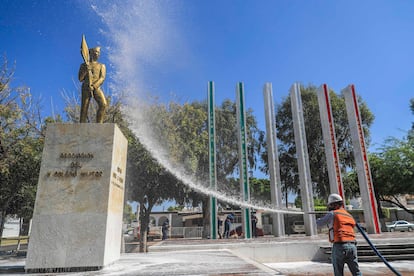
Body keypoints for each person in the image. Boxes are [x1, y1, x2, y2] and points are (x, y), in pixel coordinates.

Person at [316, 193, 361, 276]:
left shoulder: (332, 214)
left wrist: (320, 217)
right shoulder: (349, 215)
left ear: (335, 205)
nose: (329, 207)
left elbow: (319, 223)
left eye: (330, 205)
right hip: (352, 246)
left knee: (338, 273)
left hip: (340, 246)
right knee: (356, 272)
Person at [78, 46, 107, 123]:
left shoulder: (101, 66)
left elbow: (102, 78)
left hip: (96, 88)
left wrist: (94, 86)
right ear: (91, 53)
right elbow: (80, 79)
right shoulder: (84, 65)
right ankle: (82, 125)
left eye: (98, 52)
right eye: (96, 52)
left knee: (103, 104)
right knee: (84, 108)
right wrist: (85, 70)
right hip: (86, 87)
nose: (98, 54)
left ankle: (99, 124)